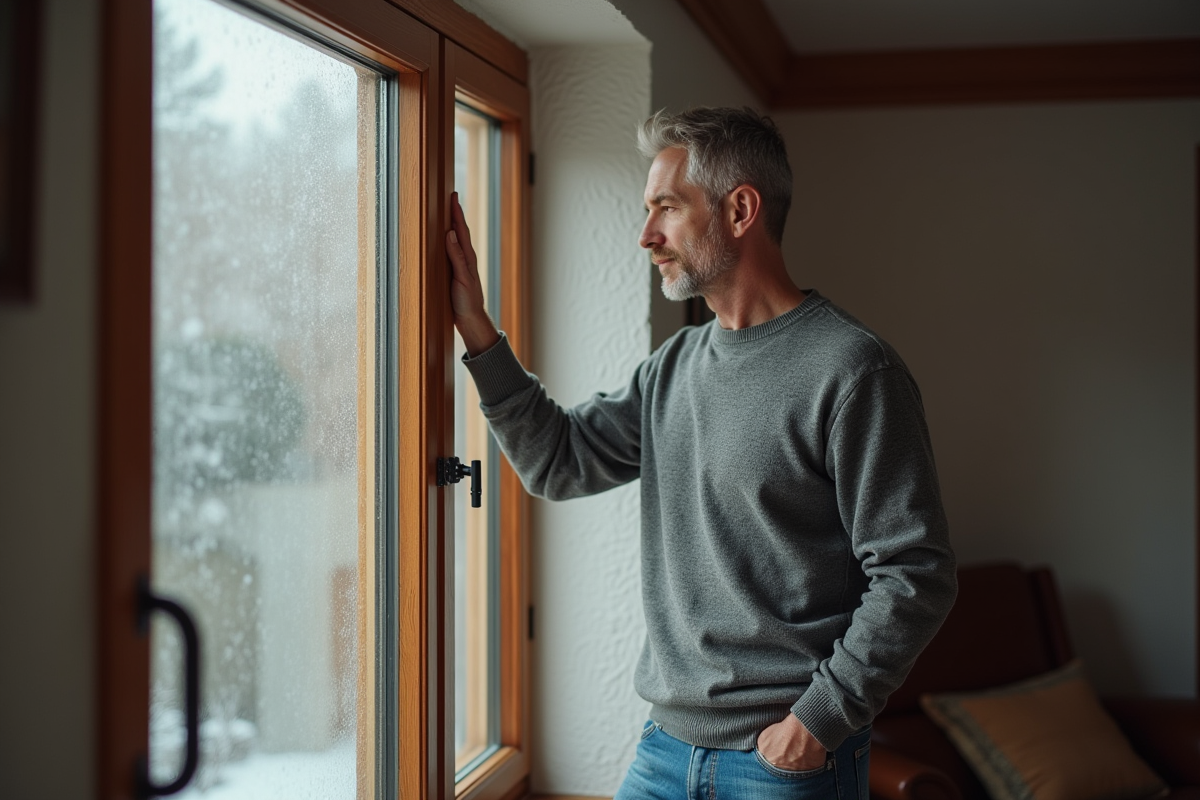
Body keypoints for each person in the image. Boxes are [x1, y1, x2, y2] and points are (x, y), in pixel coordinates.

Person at [446, 106, 956, 800]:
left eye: (666, 208)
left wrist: (817, 720)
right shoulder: (673, 366)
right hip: (663, 752)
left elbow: (914, 572)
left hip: (784, 760)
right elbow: (558, 460)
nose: (645, 235)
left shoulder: (853, 371)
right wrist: (477, 330)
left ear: (740, 209)